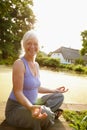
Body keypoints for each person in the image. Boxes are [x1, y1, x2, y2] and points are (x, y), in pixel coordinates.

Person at [5, 30, 68, 130]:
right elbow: (18, 92)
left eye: (35, 44)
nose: (32, 47)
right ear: (23, 45)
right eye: (29, 43)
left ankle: (46, 114)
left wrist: (54, 90)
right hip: (16, 108)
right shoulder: (19, 64)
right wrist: (30, 108)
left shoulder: (36, 65)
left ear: (39, 46)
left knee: (59, 96)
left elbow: (36, 87)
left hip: (33, 102)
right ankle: (50, 114)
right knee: (44, 112)